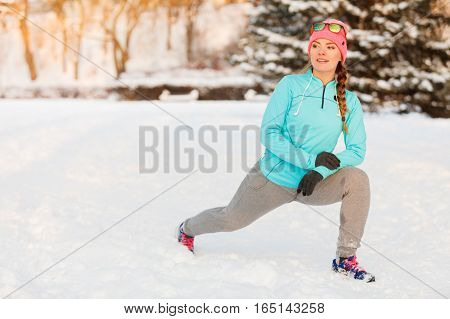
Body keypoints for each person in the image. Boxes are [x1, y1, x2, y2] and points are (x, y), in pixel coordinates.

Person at [176, 18, 375, 282]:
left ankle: (345, 258)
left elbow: (357, 150)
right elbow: (269, 133)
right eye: (317, 46)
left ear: (341, 53)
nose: (322, 52)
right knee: (231, 219)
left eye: (330, 46)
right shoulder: (291, 86)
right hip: (274, 178)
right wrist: (308, 159)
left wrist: (319, 170)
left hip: (313, 183)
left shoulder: (349, 101)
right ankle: (187, 228)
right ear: (309, 51)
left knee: (357, 179)